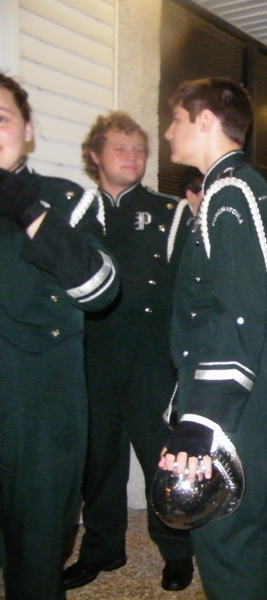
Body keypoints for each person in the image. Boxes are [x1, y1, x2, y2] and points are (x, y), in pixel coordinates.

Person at [159, 77, 267, 600]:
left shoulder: (230, 192)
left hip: (233, 397)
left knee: (225, 534)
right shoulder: (238, 189)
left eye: (174, 118)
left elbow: (235, 314)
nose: (166, 131)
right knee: (249, 529)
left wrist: (203, 420)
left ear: (205, 121)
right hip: (247, 393)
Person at [63, 112, 194, 592]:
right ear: (94, 155)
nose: (133, 158)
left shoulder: (171, 212)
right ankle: (102, 550)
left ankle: (178, 550)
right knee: (98, 463)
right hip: (91, 360)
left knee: (164, 461)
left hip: (152, 361)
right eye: (121, 148)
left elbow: (187, 292)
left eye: (139, 150)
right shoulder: (74, 213)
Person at [0, 73, 119, 600]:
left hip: (40, 415)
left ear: (27, 130)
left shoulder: (64, 200)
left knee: (36, 558)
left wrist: (26, 208)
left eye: (0, 119)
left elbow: (100, 289)